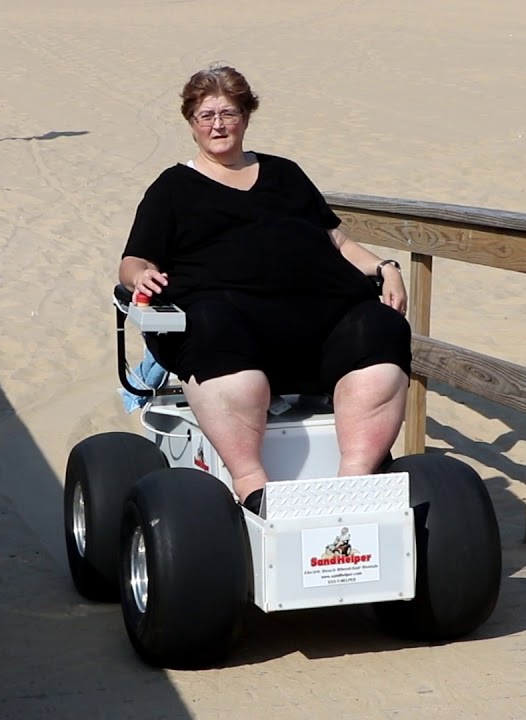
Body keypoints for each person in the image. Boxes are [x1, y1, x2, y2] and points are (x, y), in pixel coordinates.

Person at [119, 65, 411, 515]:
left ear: (246, 116)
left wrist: (386, 268)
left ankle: (354, 481)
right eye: (205, 115)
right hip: (228, 323)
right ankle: (252, 485)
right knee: (213, 326)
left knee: (381, 327)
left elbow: (338, 241)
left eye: (228, 113)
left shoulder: (285, 174)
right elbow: (133, 261)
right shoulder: (173, 187)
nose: (218, 124)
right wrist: (139, 276)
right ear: (191, 123)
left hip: (317, 320)